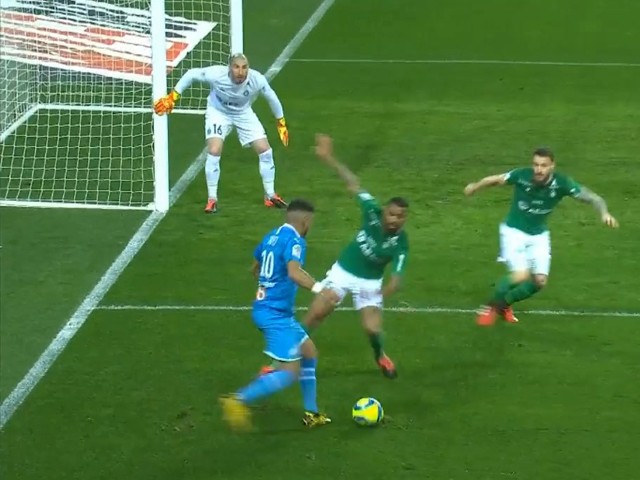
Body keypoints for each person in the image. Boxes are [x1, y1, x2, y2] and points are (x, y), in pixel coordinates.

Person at [280, 134, 409, 379]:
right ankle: (283, 357)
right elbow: (353, 183)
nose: (395, 220)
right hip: (343, 272)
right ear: (385, 212)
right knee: (316, 313)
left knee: (372, 329)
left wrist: (380, 296)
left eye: (401, 217)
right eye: (392, 214)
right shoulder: (372, 210)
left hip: (370, 282)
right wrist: (328, 157)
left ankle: (380, 355)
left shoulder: (401, 243)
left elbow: (396, 280)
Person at [464, 147, 619, 326]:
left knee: (539, 281)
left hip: (538, 235)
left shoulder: (562, 183)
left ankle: (504, 305)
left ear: (552, 166)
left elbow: (594, 198)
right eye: (536, 164)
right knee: (521, 275)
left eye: (543, 165)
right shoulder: (522, 175)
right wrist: (475, 187)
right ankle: (491, 307)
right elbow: (496, 180)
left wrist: (604, 213)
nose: (538, 169)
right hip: (513, 231)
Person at [219, 199, 331, 431]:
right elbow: (294, 273)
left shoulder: (271, 236)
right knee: (289, 372)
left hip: (270, 310)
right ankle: (237, 400)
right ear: (305, 220)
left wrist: (265, 284)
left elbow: (255, 265)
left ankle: (312, 413)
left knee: (309, 352)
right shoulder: (295, 241)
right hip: (275, 316)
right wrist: (321, 290)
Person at [153, 53, 289, 213]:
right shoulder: (216, 74)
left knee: (265, 150)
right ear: (229, 68)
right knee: (214, 150)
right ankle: (212, 199)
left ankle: (270, 195)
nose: (241, 72)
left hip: (243, 113)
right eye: (236, 67)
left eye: (244, 67)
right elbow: (191, 74)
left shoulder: (256, 79)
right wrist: (173, 96)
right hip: (218, 112)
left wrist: (281, 122)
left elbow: (272, 97)